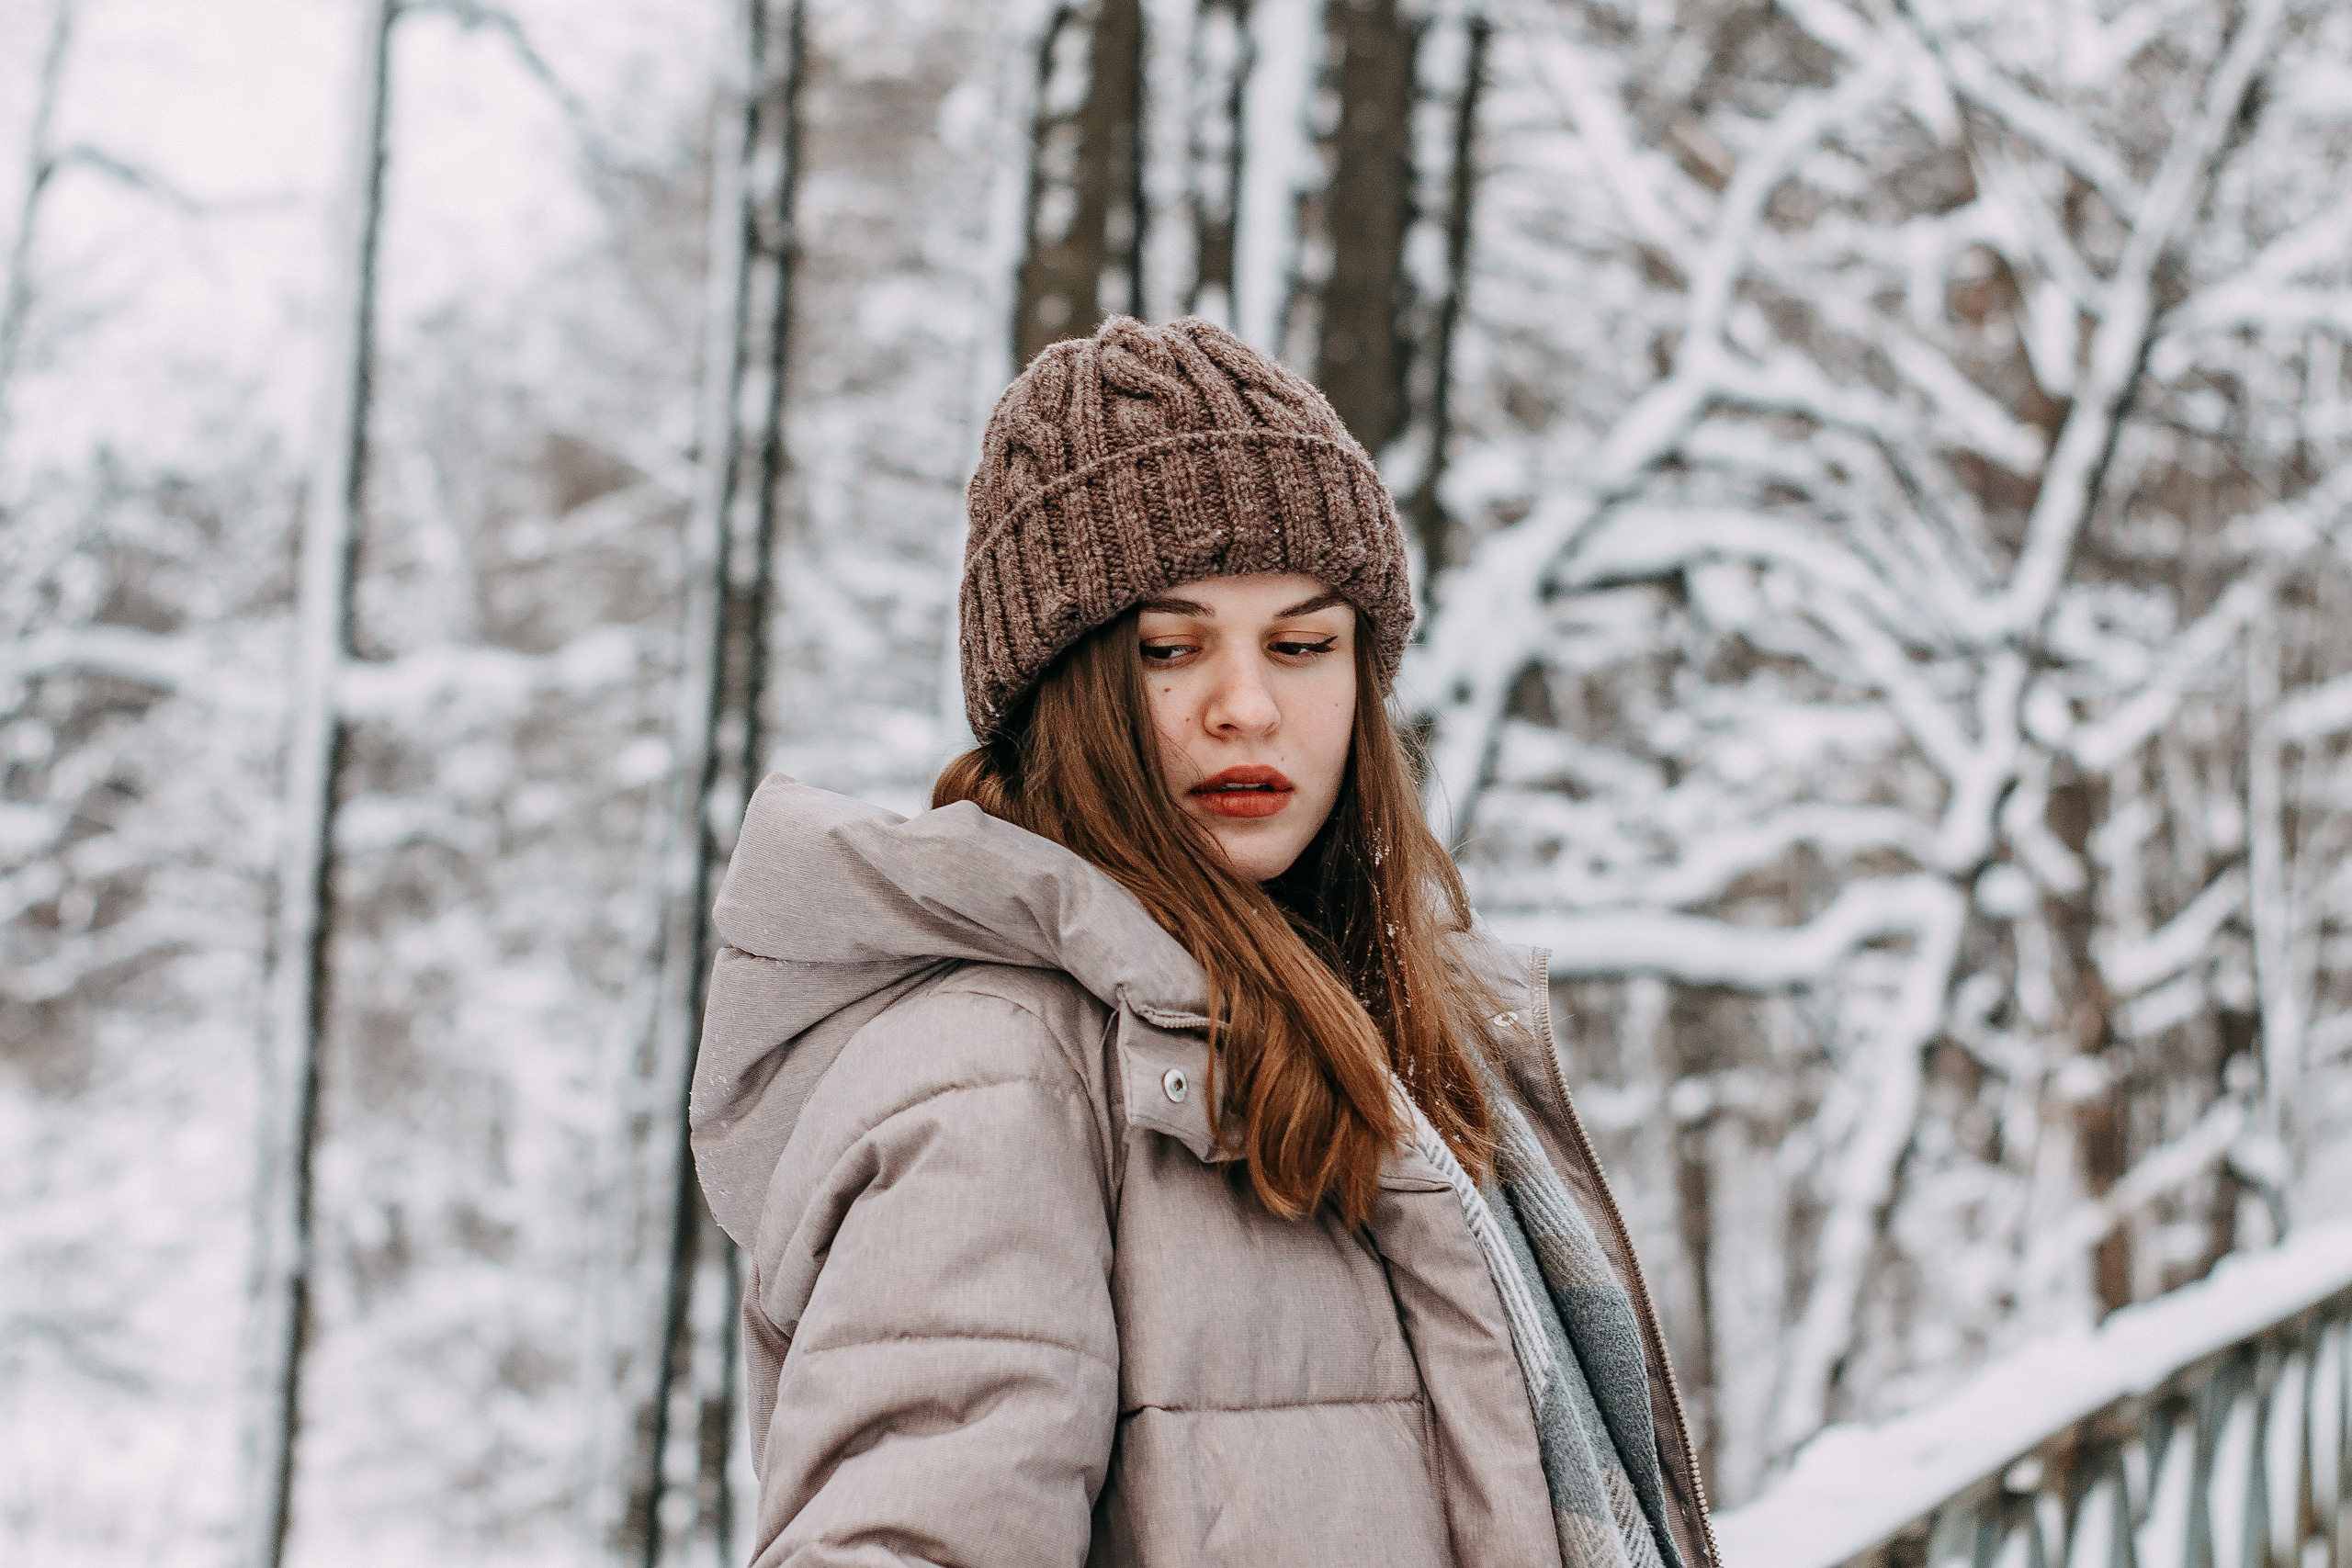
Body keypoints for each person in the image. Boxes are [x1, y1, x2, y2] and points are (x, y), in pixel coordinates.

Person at [690, 315, 1719, 1568]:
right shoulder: (996, 1078)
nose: (1247, 706)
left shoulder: (1397, 1046)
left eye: (1302, 645)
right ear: (1066, 699)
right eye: (1170, 651)